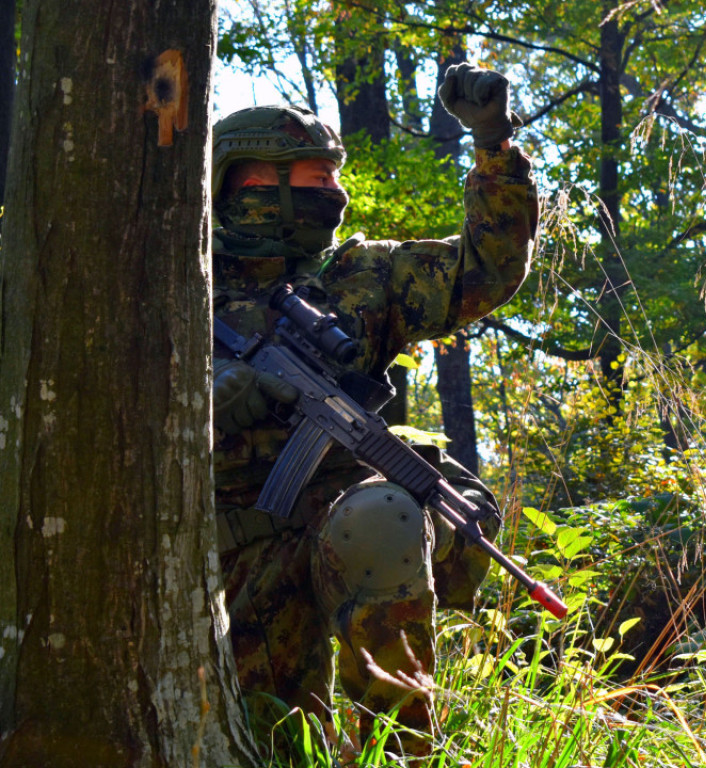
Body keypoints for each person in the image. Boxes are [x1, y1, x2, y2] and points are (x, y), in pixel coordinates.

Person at [210, 62, 538, 759]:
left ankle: (405, 752)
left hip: (345, 514)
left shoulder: (363, 277)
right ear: (249, 182)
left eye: (335, 175)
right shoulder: (168, 281)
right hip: (228, 546)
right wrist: (208, 390)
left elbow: (488, 269)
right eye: (314, 176)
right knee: (274, 742)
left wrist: (494, 146)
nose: (335, 192)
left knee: (380, 518)